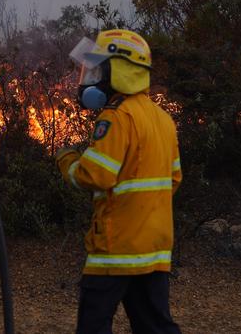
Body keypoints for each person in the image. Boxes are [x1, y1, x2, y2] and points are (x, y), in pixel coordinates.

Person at [56, 29, 182, 334]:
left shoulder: (116, 116)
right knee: (155, 327)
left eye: (100, 68)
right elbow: (174, 178)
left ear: (120, 71)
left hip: (115, 250)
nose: (93, 77)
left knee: (93, 326)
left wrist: (67, 161)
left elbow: (95, 174)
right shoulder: (163, 119)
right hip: (153, 252)